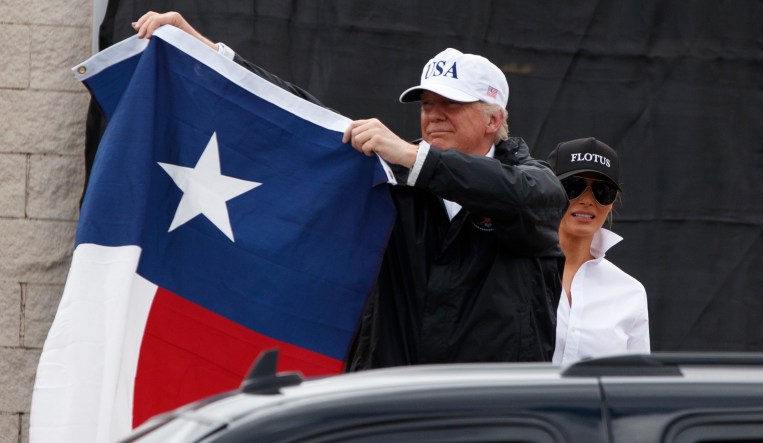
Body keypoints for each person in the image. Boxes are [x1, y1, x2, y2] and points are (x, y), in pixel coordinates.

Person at [133, 12, 568, 368]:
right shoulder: (391, 173)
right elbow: (301, 118)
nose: (433, 116)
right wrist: (209, 54)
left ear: (494, 119)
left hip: (493, 416)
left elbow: (524, 196)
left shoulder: (531, 183)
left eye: (450, 104)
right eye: (427, 105)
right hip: (387, 410)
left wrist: (414, 159)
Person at [546, 137, 650, 365]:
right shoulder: (516, 272)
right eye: (573, 187)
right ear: (548, 190)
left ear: (613, 202)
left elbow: (636, 385)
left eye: (602, 191)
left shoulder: (630, 293)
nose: (587, 200)